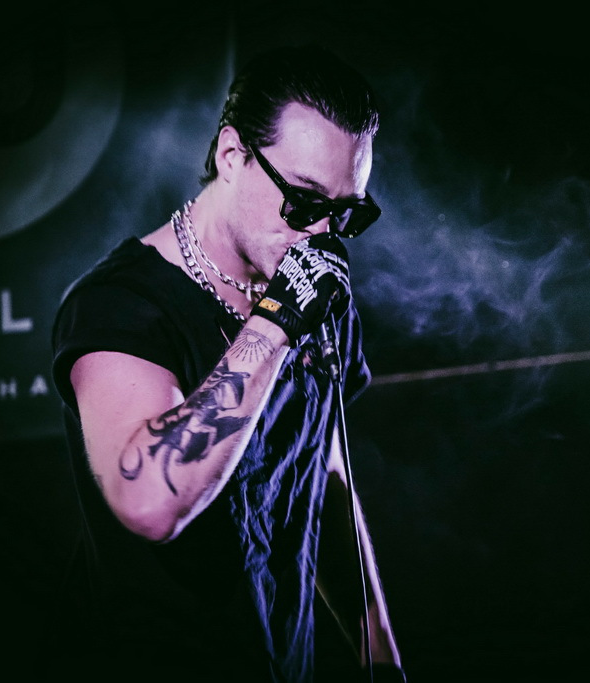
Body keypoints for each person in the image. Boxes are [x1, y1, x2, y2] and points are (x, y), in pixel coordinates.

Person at [50, 44, 404, 682]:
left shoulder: (316, 290)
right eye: (303, 202)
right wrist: (273, 322)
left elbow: (320, 472)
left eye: (345, 213)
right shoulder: (120, 305)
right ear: (232, 155)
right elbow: (148, 503)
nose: (320, 235)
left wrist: (378, 649)